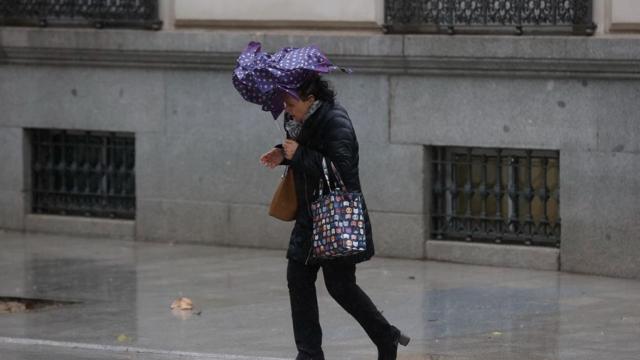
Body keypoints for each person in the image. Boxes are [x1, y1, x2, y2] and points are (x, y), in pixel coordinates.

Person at [259, 72, 410, 360]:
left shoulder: (336, 120)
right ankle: (309, 353)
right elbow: (306, 154)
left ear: (310, 99)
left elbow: (343, 171)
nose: (287, 110)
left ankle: (385, 336)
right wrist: (283, 153)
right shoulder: (298, 122)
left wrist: (299, 153)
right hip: (309, 217)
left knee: (340, 286)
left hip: (334, 216)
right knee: (298, 279)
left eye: (290, 104)